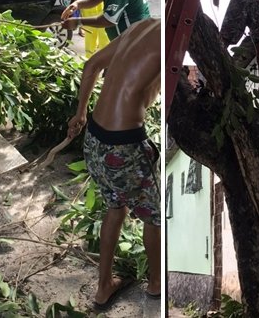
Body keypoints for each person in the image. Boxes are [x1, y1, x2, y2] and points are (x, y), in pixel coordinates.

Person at [67, 18, 161, 310]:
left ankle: (103, 286)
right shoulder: (169, 39)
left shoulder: (140, 25)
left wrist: (80, 114)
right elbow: (151, 97)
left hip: (94, 139)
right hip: (125, 146)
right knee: (155, 217)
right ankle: (157, 284)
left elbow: (91, 65)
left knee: (115, 206)